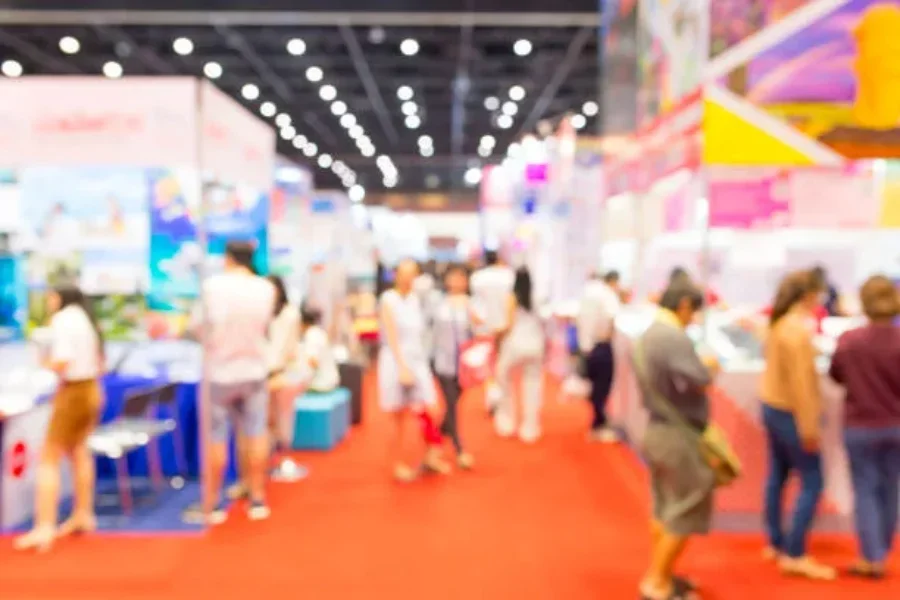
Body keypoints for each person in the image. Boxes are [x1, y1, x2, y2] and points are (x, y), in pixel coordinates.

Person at [634, 282, 717, 600]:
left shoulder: (652, 333)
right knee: (687, 505)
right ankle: (656, 582)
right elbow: (700, 378)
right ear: (684, 305)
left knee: (665, 507)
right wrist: (709, 367)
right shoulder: (670, 336)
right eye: (693, 311)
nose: (693, 318)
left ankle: (663, 575)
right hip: (676, 434)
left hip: (660, 430)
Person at [15, 285, 104, 552]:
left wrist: (42, 363)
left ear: (60, 297)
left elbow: (63, 360)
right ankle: (83, 514)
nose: (48, 301)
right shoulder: (85, 318)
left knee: (48, 457)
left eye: (50, 296)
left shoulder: (63, 320)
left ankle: (44, 527)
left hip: (73, 392)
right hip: (91, 388)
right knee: (79, 452)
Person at [759, 270, 835, 580]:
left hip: (773, 406)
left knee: (777, 475)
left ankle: (776, 542)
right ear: (809, 295)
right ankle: (795, 552)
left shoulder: (779, 324)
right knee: (813, 481)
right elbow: (803, 386)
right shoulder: (796, 332)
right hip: (790, 412)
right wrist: (809, 427)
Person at [197, 241, 275, 524]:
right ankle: (257, 498)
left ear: (228, 259)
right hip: (254, 370)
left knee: (215, 437)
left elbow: (199, 327)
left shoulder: (212, 287)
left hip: (220, 372)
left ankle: (214, 503)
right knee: (256, 433)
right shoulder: (265, 288)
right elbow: (266, 327)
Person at [829, 275, 900, 578]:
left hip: (861, 425)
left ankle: (872, 555)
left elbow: (836, 374)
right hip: (895, 424)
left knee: (866, 489)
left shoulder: (850, 341)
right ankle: (881, 549)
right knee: (890, 488)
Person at [378, 258, 449, 481]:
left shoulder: (419, 299)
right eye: (403, 273)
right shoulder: (388, 299)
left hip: (418, 359)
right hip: (395, 360)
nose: (407, 278)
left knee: (431, 408)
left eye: (412, 273)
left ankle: (431, 455)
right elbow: (391, 335)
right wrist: (402, 367)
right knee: (398, 416)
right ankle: (397, 463)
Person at [431, 263, 479, 469]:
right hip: (442, 361)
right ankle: (459, 449)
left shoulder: (472, 304)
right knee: (451, 403)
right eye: (453, 277)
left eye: (461, 278)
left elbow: (480, 330)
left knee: (453, 403)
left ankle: (435, 437)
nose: (457, 282)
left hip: (465, 364)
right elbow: (430, 332)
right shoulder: (438, 303)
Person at [494, 267, 546, 443]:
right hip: (535, 345)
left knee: (504, 380)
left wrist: (496, 335)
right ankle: (530, 427)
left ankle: (507, 422)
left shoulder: (512, 297)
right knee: (533, 386)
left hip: (515, 345)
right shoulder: (537, 298)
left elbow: (508, 324)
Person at [577, 270, 622, 442]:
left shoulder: (588, 293)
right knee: (602, 387)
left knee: (596, 387)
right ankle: (599, 424)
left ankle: (598, 422)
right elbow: (611, 317)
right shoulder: (608, 295)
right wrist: (609, 336)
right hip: (602, 344)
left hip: (588, 346)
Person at [469, 249, 514, 413]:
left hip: (484, 325)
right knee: (501, 361)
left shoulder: (477, 277)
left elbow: (474, 303)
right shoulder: (508, 276)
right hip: (505, 325)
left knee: (488, 362)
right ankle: (500, 393)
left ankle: (492, 391)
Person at [266, 275, 302, 480]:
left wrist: (284, 367)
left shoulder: (290, 313)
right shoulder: (262, 313)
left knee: (283, 418)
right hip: (264, 371)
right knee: (268, 419)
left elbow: (291, 345)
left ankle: (282, 457)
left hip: (282, 371)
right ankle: (269, 460)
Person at [299, 304, 340, 393]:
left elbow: (313, 362)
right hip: (331, 380)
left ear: (302, 323)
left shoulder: (311, 335)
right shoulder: (319, 332)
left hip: (322, 384)